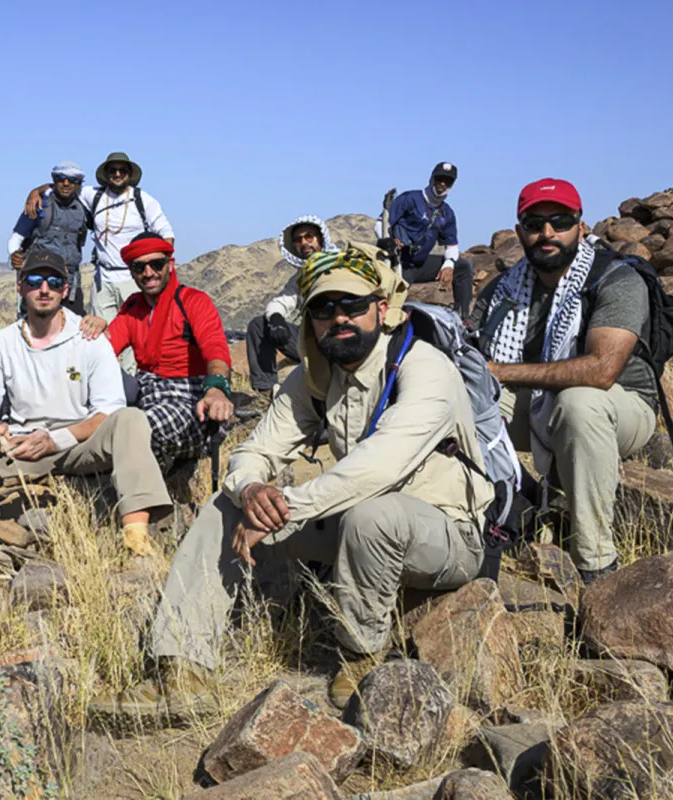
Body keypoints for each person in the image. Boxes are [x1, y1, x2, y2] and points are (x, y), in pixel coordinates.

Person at [94, 244, 493, 721]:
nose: (339, 318)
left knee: (373, 514)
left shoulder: (424, 368)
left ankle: (360, 651)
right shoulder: (314, 377)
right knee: (224, 511)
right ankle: (182, 669)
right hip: (352, 523)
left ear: (381, 310)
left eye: (353, 305)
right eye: (324, 309)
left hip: (445, 531)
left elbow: (378, 468)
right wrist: (250, 492)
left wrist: (287, 506)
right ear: (309, 319)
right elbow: (253, 452)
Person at [0, 248, 172, 557]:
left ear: (65, 289)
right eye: (34, 280)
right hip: (18, 448)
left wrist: (54, 440)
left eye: (53, 282)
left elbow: (108, 411)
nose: (44, 289)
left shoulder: (90, 339)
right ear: (20, 287)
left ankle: (136, 537)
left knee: (131, 420)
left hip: (75, 446)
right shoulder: (2, 343)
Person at [474, 179, 657, 584]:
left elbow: (601, 371)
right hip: (538, 403)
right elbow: (472, 356)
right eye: (535, 223)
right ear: (520, 231)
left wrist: (502, 372)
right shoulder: (504, 289)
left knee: (579, 403)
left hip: (620, 406)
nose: (547, 233)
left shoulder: (615, 278)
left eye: (560, 221)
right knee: (458, 404)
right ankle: (503, 515)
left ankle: (596, 566)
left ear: (581, 225)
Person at [81, 233, 233, 471]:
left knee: (137, 430)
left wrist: (215, 389)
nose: (148, 272)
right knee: (90, 386)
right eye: (139, 267)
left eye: (157, 264)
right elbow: (106, 352)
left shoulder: (193, 301)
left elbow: (216, 349)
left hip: (189, 399)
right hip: (147, 394)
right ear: (131, 272)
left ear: (170, 265)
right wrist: (98, 333)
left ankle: (150, 486)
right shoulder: (132, 307)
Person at [23, 152, 174, 370]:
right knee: (99, 335)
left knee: (135, 335)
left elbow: (165, 232)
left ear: (129, 174)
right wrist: (35, 192)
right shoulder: (93, 195)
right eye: (113, 170)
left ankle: (133, 383)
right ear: (106, 174)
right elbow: (65, 184)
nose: (118, 174)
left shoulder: (143, 200)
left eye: (122, 170)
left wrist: (164, 267)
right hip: (103, 278)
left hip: (133, 278)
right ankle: (105, 381)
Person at [244, 215, 338, 393]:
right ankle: (265, 391)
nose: (304, 243)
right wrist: (277, 318)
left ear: (321, 238)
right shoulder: (301, 277)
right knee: (259, 325)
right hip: (312, 343)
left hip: (344, 338)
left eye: (309, 237)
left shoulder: (342, 264)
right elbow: (281, 302)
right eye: (298, 239)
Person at [389, 162, 474, 320]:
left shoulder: (447, 212)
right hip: (398, 263)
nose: (442, 184)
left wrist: (449, 264)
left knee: (463, 267)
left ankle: (463, 320)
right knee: (391, 309)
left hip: (419, 264)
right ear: (431, 178)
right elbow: (381, 223)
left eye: (447, 181)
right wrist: (391, 241)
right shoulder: (409, 199)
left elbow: (452, 245)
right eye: (439, 179)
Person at [8, 161, 89, 314]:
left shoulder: (84, 207)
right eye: (60, 178)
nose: (66, 183)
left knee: (74, 330)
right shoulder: (38, 206)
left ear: (79, 183)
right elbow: (17, 237)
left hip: (71, 283)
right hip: (39, 282)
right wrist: (14, 254)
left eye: (72, 180)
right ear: (54, 180)